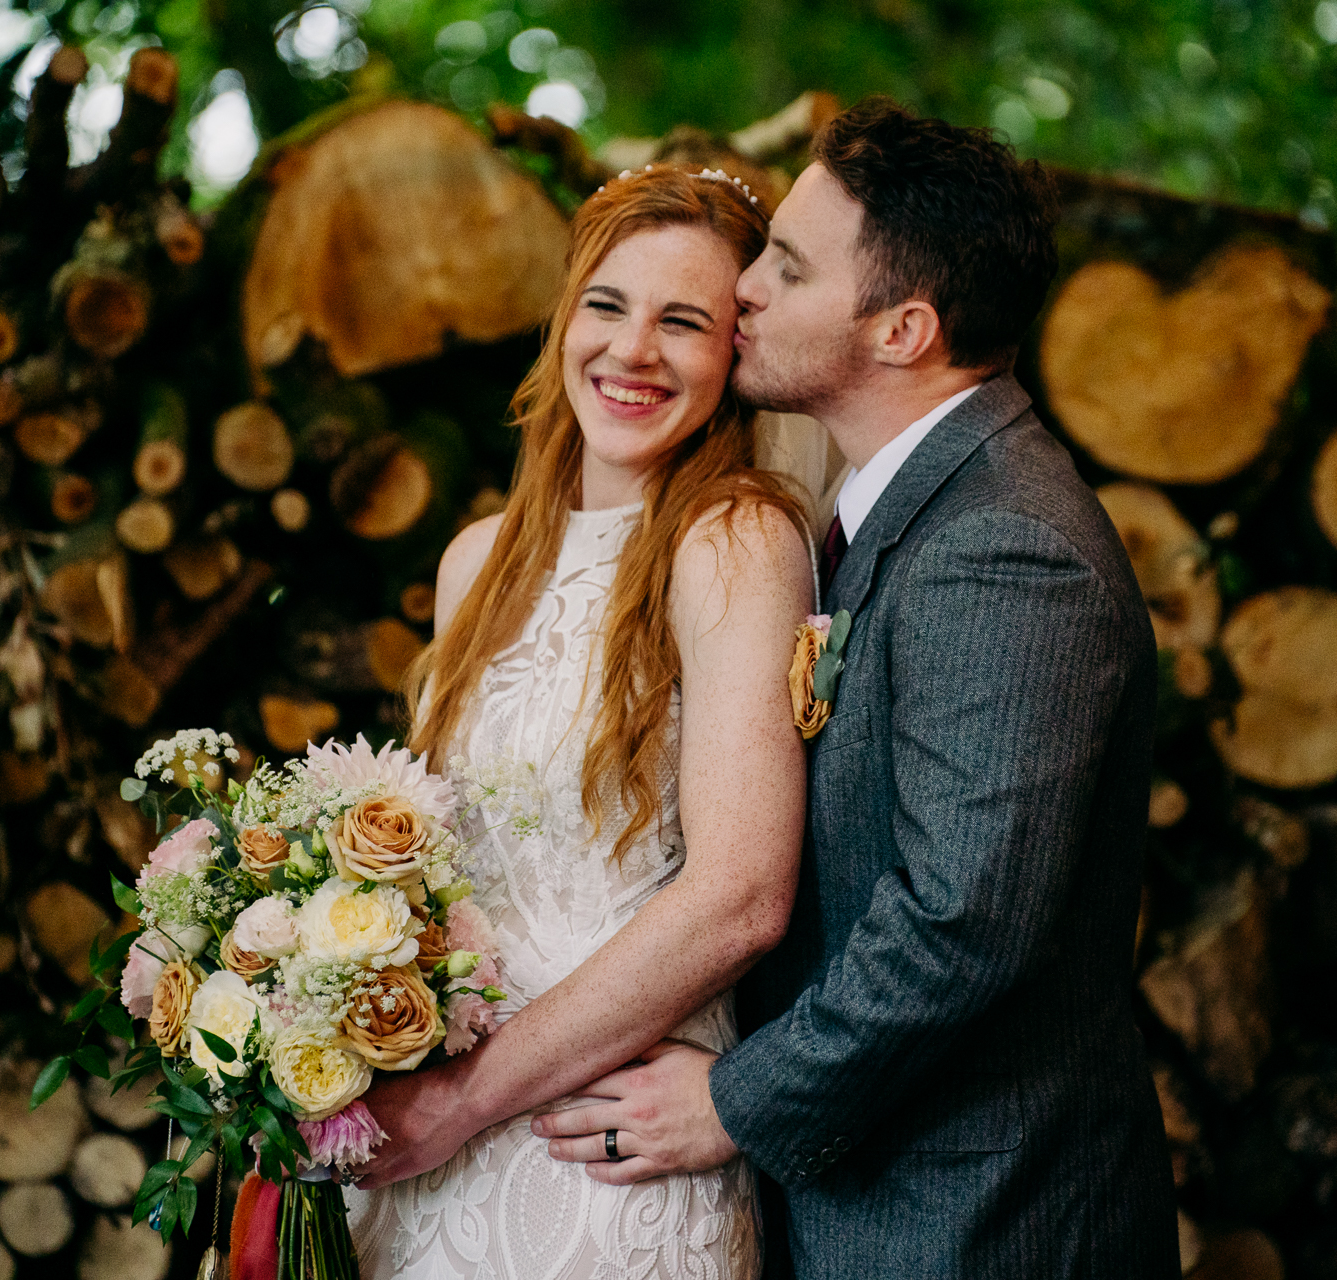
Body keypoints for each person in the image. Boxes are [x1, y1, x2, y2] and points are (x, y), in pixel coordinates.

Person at [531, 98, 1179, 1278]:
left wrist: (734, 1100)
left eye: (786, 264)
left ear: (902, 329)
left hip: (969, 1224)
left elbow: (964, 921)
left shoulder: (1003, 548)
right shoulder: (896, 513)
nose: (746, 293)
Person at [340, 165, 815, 1279]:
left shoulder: (734, 540)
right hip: (427, 1151)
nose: (633, 349)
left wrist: (466, 1096)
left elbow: (742, 894)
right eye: (608, 304)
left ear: (735, 356)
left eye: (684, 321)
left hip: (604, 1157)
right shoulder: (477, 561)